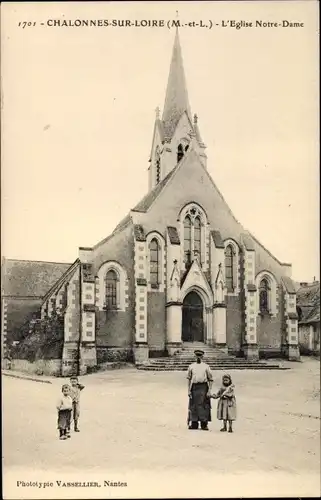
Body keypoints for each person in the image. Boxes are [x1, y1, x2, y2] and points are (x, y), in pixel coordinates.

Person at [187, 349, 213, 430]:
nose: (198, 357)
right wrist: (188, 390)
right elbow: (189, 378)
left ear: (202, 357)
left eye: (200, 356)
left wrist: (209, 391)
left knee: (204, 406)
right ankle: (194, 423)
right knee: (193, 406)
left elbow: (210, 379)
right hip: (194, 387)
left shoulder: (206, 366)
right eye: (197, 356)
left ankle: (204, 424)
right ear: (194, 356)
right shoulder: (191, 366)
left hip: (203, 387)